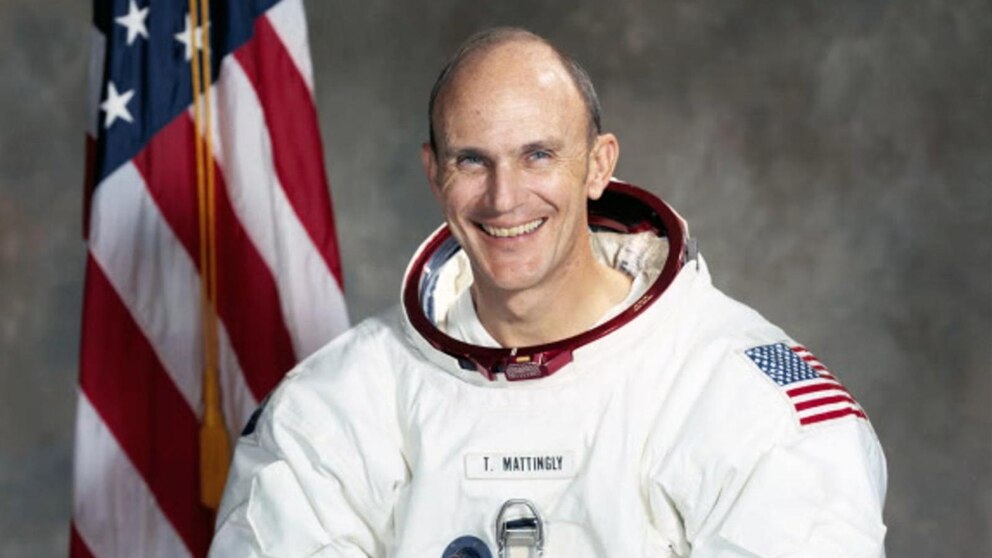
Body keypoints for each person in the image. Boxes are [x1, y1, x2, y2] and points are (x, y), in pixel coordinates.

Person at [210, 28, 887, 557]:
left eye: (538, 155)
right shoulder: (332, 407)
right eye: (472, 160)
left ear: (598, 164)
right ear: (434, 173)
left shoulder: (747, 399)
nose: (504, 197)